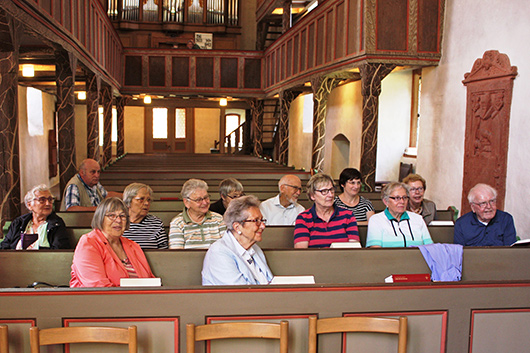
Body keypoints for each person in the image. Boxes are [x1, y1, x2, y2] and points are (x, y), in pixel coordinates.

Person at [70, 197, 155, 287]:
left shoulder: (133, 246)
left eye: (122, 216)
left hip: (140, 299)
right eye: (111, 215)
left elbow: (150, 279)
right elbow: (97, 286)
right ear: (101, 218)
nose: (118, 220)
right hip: (102, 300)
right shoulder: (89, 243)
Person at [202, 195, 273, 285]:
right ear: (237, 227)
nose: (263, 226)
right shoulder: (219, 252)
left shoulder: (254, 248)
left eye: (262, 220)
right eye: (256, 221)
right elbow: (239, 294)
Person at [294, 173, 359, 248]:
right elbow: (301, 252)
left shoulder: (347, 215)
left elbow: (354, 249)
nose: (330, 195)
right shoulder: (304, 218)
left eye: (331, 190)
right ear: (312, 195)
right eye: (324, 191)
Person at [1, 184, 69, 249]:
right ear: (30, 205)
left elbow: (59, 250)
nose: (48, 203)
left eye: (50, 199)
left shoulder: (57, 224)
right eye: (42, 200)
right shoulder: (19, 222)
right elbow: (5, 245)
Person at [366, 182, 433, 247]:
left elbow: (430, 247)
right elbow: (375, 251)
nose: (402, 201)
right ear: (386, 201)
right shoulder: (376, 220)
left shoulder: (418, 219)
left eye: (404, 198)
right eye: (397, 198)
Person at [169, 179, 226, 249]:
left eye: (206, 197)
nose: (205, 202)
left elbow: (226, 249)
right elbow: (177, 255)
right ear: (186, 202)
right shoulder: (177, 223)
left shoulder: (218, 219)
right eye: (199, 200)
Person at [122, 183, 168, 249]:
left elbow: (164, 252)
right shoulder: (118, 222)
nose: (146, 203)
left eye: (148, 200)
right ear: (128, 201)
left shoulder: (156, 223)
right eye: (141, 199)